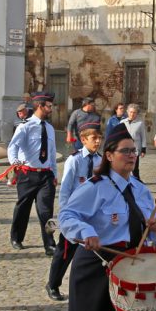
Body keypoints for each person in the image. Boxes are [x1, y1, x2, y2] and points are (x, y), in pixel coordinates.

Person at [57, 123, 156, 311]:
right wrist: (86, 232)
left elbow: (149, 228)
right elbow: (67, 215)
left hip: (131, 266)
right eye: (126, 151)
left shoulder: (140, 189)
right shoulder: (95, 187)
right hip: (96, 264)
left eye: (134, 151)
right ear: (109, 155)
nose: (132, 156)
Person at [46, 121, 103, 301]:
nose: (98, 142)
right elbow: (66, 188)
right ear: (83, 139)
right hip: (74, 213)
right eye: (94, 138)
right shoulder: (74, 160)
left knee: (93, 253)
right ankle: (53, 284)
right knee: (64, 252)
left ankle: (90, 287)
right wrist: (65, 214)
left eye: (100, 138)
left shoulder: (101, 161)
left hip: (92, 214)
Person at [8, 92, 59, 255]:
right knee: (23, 208)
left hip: (46, 175)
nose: (51, 109)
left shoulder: (49, 128)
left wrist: (54, 173)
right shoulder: (25, 126)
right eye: (49, 106)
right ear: (39, 106)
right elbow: (12, 146)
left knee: (46, 211)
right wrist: (14, 162)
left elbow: (51, 153)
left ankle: (50, 244)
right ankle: (16, 237)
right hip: (27, 174)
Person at [122, 104, 146, 180]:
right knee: (124, 165)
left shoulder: (140, 123)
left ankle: (137, 181)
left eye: (134, 112)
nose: (132, 114)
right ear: (127, 112)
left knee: (135, 167)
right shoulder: (122, 122)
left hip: (135, 149)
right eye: (131, 112)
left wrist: (143, 149)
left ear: (137, 113)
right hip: (124, 148)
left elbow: (143, 137)